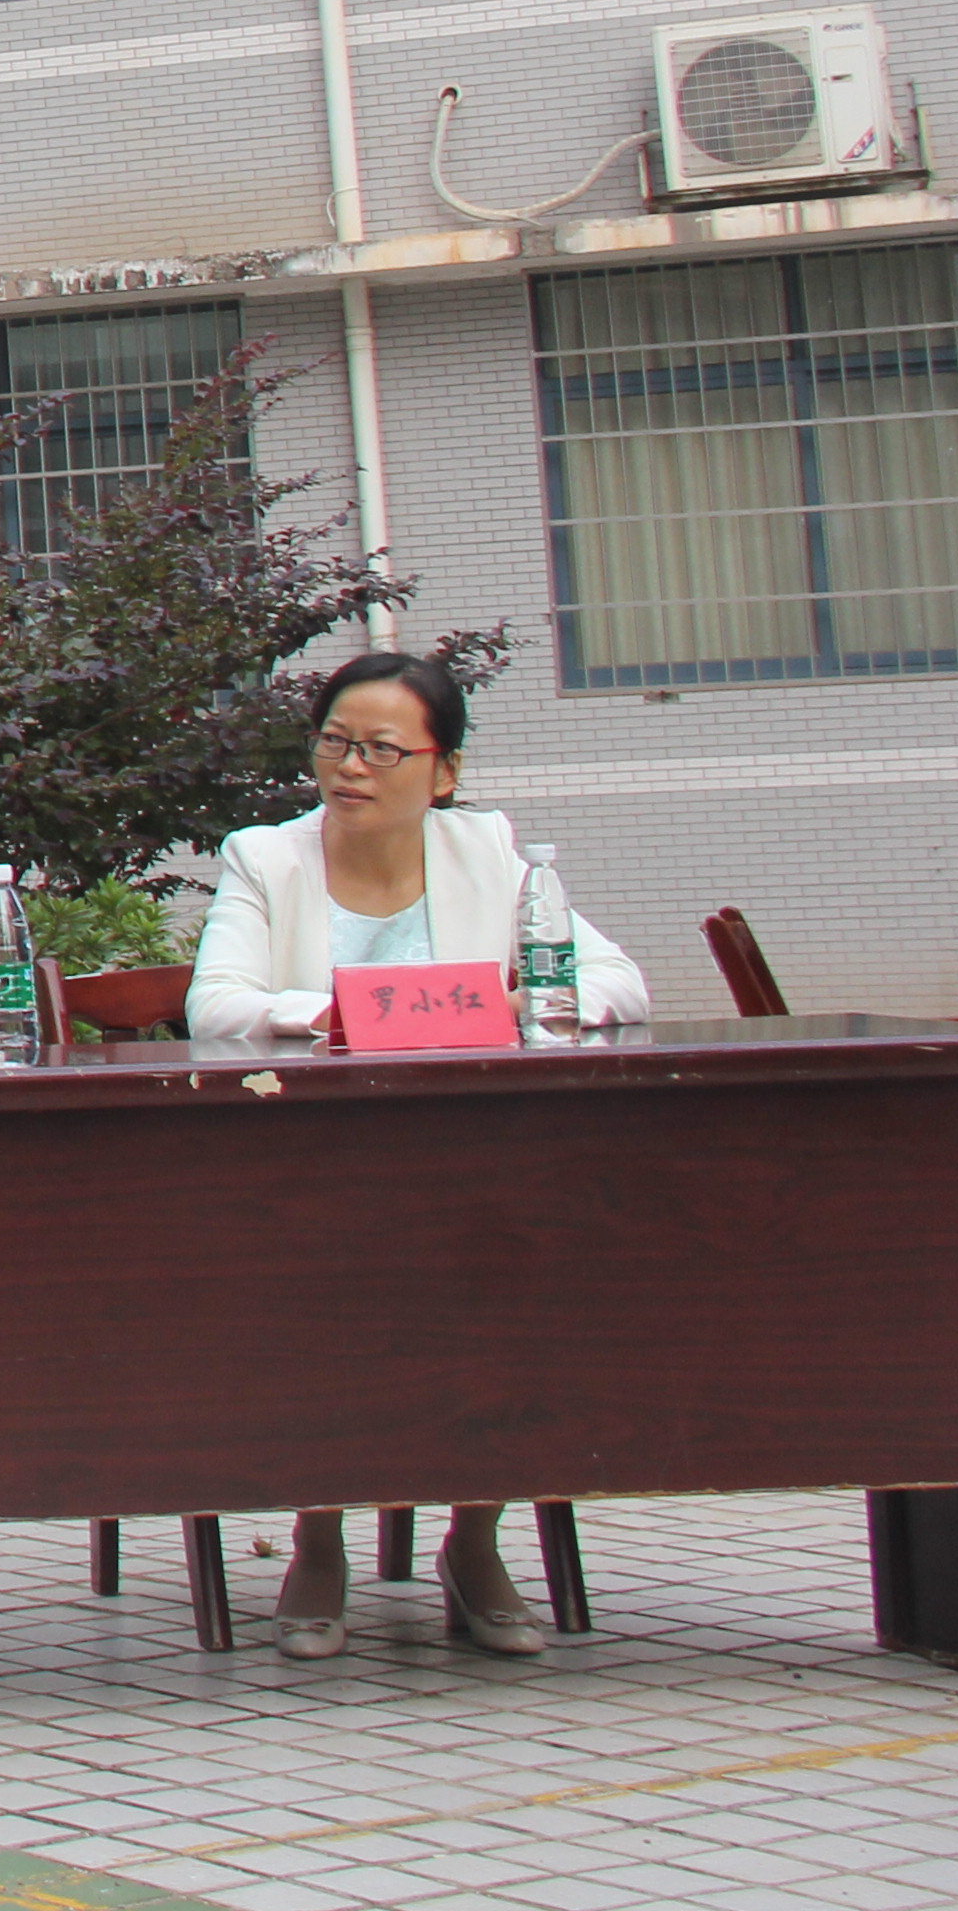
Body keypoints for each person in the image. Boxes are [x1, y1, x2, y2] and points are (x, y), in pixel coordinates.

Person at [188, 646, 643, 1662]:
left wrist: (528, 1001)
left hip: (474, 1169)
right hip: (313, 1173)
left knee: (515, 1284)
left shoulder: (492, 855)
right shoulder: (268, 857)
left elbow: (618, 983)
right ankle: (318, 1541)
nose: (351, 768)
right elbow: (215, 1005)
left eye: (382, 750)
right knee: (325, 1301)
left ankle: (473, 1542)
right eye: (334, 743)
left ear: (444, 771)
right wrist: (353, 1015)